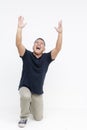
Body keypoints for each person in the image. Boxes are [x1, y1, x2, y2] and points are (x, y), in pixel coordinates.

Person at [16, 16, 62, 128]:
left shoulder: (47, 58)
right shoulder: (26, 55)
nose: (38, 44)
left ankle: (31, 104)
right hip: (25, 86)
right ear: (33, 46)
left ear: (44, 48)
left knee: (38, 118)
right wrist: (19, 28)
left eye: (41, 43)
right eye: (36, 42)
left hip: (37, 91)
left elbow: (58, 48)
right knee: (25, 96)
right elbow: (18, 43)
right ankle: (23, 117)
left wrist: (60, 33)